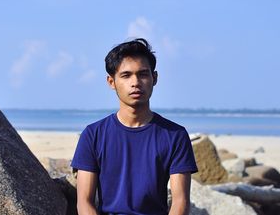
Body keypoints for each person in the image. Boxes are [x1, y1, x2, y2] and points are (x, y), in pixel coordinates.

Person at [71, 38, 198, 215]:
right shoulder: (93, 135)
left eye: (143, 74)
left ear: (154, 78)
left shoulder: (175, 135)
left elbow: (181, 202)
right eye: (126, 75)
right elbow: (84, 203)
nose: (135, 82)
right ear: (111, 82)